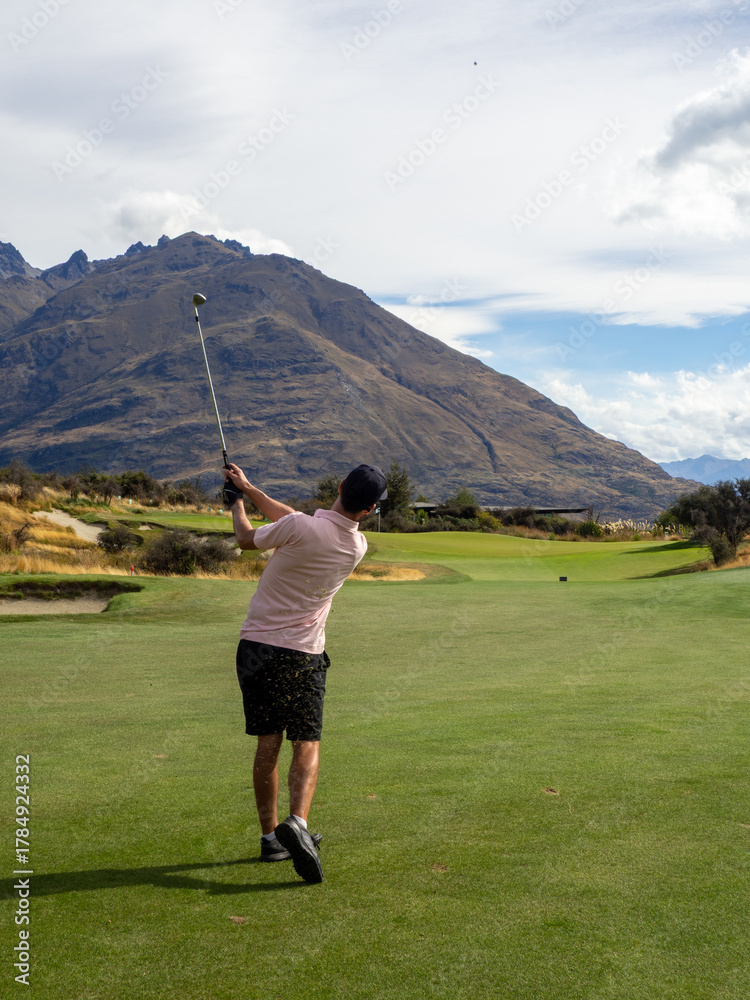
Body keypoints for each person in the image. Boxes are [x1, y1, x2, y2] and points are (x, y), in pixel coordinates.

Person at [223, 461, 387, 884]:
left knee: (268, 741)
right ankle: (297, 821)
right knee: (306, 741)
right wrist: (251, 488)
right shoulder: (357, 546)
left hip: (257, 648)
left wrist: (237, 501)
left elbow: (245, 539)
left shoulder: (299, 527)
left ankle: (269, 838)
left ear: (339, 485)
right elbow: (292, 521)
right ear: (368, 509)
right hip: (303, 655)